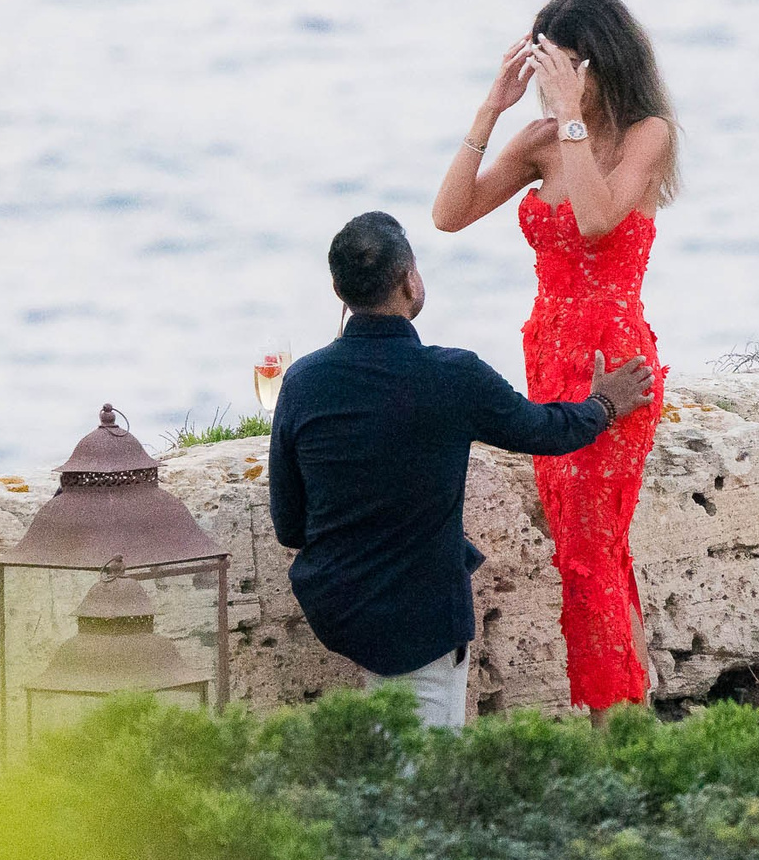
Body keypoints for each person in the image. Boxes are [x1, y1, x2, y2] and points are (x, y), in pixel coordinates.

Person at [268, 211, 655, 728]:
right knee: (425, 774)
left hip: (338, 607)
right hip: (420, 616)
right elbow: (544, 431)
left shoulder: (302, 381)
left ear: (340, 290)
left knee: (382, 747)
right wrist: (605, 405)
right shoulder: (452, 376)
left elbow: (289, 525)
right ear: (410, 281)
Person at [430, 0, 679, 720]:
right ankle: (628, 722)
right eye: (544, 70)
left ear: (599, 66)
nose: (550, 84)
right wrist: (489, 113)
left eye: (564, 69)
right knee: (592, 550)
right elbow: (449, 214)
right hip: (549, 362)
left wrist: (570, 118)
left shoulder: (646, 135)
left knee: (590, 553)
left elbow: (599, 219)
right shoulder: (540, 138)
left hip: (614, 369)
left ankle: (618, 731)